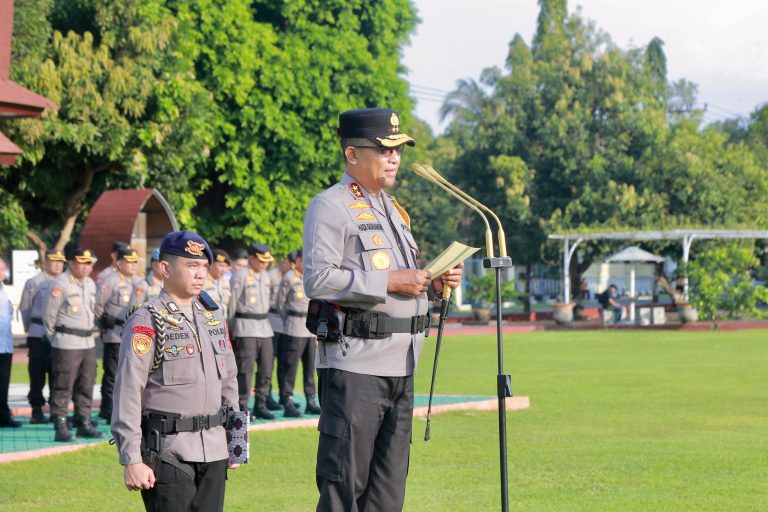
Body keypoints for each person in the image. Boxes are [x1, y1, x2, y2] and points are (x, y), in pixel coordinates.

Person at [303, 107, 462, 511]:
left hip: (401, 368)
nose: (395, 158)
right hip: (357, 369)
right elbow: (317, 279)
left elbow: (402, 282)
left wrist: (434, 285)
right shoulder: (330, 205)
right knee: (344, 493)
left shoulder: (393, 210)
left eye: (398, 150)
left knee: (387, 497)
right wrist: (388, 281)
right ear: (352, 154)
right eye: (384, 149)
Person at [111, 230, 240, 512]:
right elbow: (128, 390)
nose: (201, 274)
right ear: (165, 268)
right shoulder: (147, 319)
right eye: (192, 266)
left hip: (215, 451)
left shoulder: (212, 316)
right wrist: (132, 458)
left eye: (204, 267)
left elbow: (229, 380)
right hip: (169, 453)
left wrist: (237, 441)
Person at [43, 248, 103, 441]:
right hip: (67, 343)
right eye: (82, 263)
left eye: (89, 263)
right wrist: (57, 340)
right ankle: (60, 424)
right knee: (63, 385)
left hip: (87, 342)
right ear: (72, 263)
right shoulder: (61, 283)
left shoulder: (91, 284)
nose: (86, 267)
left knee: (86, 383)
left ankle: (82, 422)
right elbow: (48, 317)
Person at [95, 246, 148, 422]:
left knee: (133, 373)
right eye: (129, 262)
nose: (133, 265)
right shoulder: (110, 281)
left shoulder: (141, 282)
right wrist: (103, 322)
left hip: (135, 336)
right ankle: (108, 408)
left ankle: (128, 408)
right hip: (115, 334)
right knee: (112, 374)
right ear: (119, 263)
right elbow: (98, 306)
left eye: (135, 262)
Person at [18, 249, 66, 423]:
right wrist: (29, 330)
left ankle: (56, 410)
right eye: (54, 261)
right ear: (45, 263)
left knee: (58, 373)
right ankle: (36, 410)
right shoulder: (34, 282)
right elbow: (25, 308)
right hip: (38, 333)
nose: (58, 264)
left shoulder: (66, 282)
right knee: (37, 374)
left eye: (61, 261)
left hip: (58, 335)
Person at [228, 243, 275, 420]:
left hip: (265, 327)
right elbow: (232, 303)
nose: (264, 264)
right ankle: (243, 405)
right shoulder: (240, 275)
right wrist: (231, 328)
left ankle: (261, 404)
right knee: (245, 369)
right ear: (252, 258)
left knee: (267, 368)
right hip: (245, 327)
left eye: (266, 261)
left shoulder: (265, 276)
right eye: (261, 261)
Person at [275, 249, 320, 417]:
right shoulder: (288, 278)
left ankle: (311, 400)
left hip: (310, 329)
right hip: (294, 327)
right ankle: (286, 400)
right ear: (299, 261)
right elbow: (280, 305)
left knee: (309, 368)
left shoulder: (311, 276)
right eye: (306, 260)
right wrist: (289, 320)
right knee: (290, 366)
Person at [266, 254, 293, 412]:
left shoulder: (295, 277)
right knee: (269, 362)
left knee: (285, 363)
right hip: (272, 321)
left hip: (287, 324)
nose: (285, 264)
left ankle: (284, 396)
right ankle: (267, 396)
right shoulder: (272, 275)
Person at [0, 258, 22, 428]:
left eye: (3, 269)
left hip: (5, 345)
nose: (2, 273)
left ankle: (3, 414)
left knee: (3, 382)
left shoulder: (3, 290)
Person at [203, 249, 232, 320]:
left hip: (224, 322)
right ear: (211, 264)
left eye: (226, 266)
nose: (224, 270)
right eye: (221, 266)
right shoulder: (202, 281)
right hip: (208, 323)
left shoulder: (225, 281)